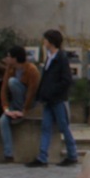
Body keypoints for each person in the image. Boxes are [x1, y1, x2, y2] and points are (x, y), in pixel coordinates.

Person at [28, 29, 78, 168]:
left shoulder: (61, 58)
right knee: (46, 127)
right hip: (48, 99)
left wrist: (53, 92)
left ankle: (72, 155)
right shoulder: (50, 57)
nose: (44, 42)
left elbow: (66, 80)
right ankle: (42, 157)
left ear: (51, 42)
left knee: (63, 126)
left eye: (45, 40)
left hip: (58, 99)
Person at [0, 47, 40, 162]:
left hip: (27, 103)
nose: (6, 59)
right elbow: (4, 89)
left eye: (9, 56)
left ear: (15, 58)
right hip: (14, 104)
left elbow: (32, 92)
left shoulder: (31, 70)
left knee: (13, 82)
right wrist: (6, 109)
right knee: (2, 121)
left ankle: (19, 110)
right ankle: (8, 154)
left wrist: (24, 111)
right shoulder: (10, 68)